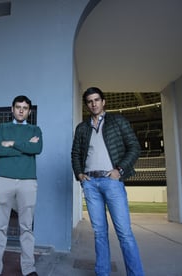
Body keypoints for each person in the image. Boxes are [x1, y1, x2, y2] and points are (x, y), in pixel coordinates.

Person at [71, 87, 144, 276]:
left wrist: (119, 170)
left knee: (124, 234)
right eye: (90, 101)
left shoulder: (117, 121)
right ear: (87, 105)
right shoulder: (82, 127)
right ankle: (102, 272)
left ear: (103, 102)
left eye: (97, 100)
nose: (94, 104)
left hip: (112, 182)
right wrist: (79, 174)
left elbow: (134, 147)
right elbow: (76, 153)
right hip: (90, 183)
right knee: (99, 234)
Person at [0, 95, 42, 276]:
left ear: (29, 111)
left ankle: (29, 269)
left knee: (26, 227)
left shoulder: (35, 129)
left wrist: (12, 144)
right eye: (18, 107)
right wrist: (24, 147)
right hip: (4, 180)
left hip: (27, 181)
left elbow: (36, 149)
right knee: (0, 226)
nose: (21, 110)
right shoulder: (2, 127)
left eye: (24, 108)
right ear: (12, 109)